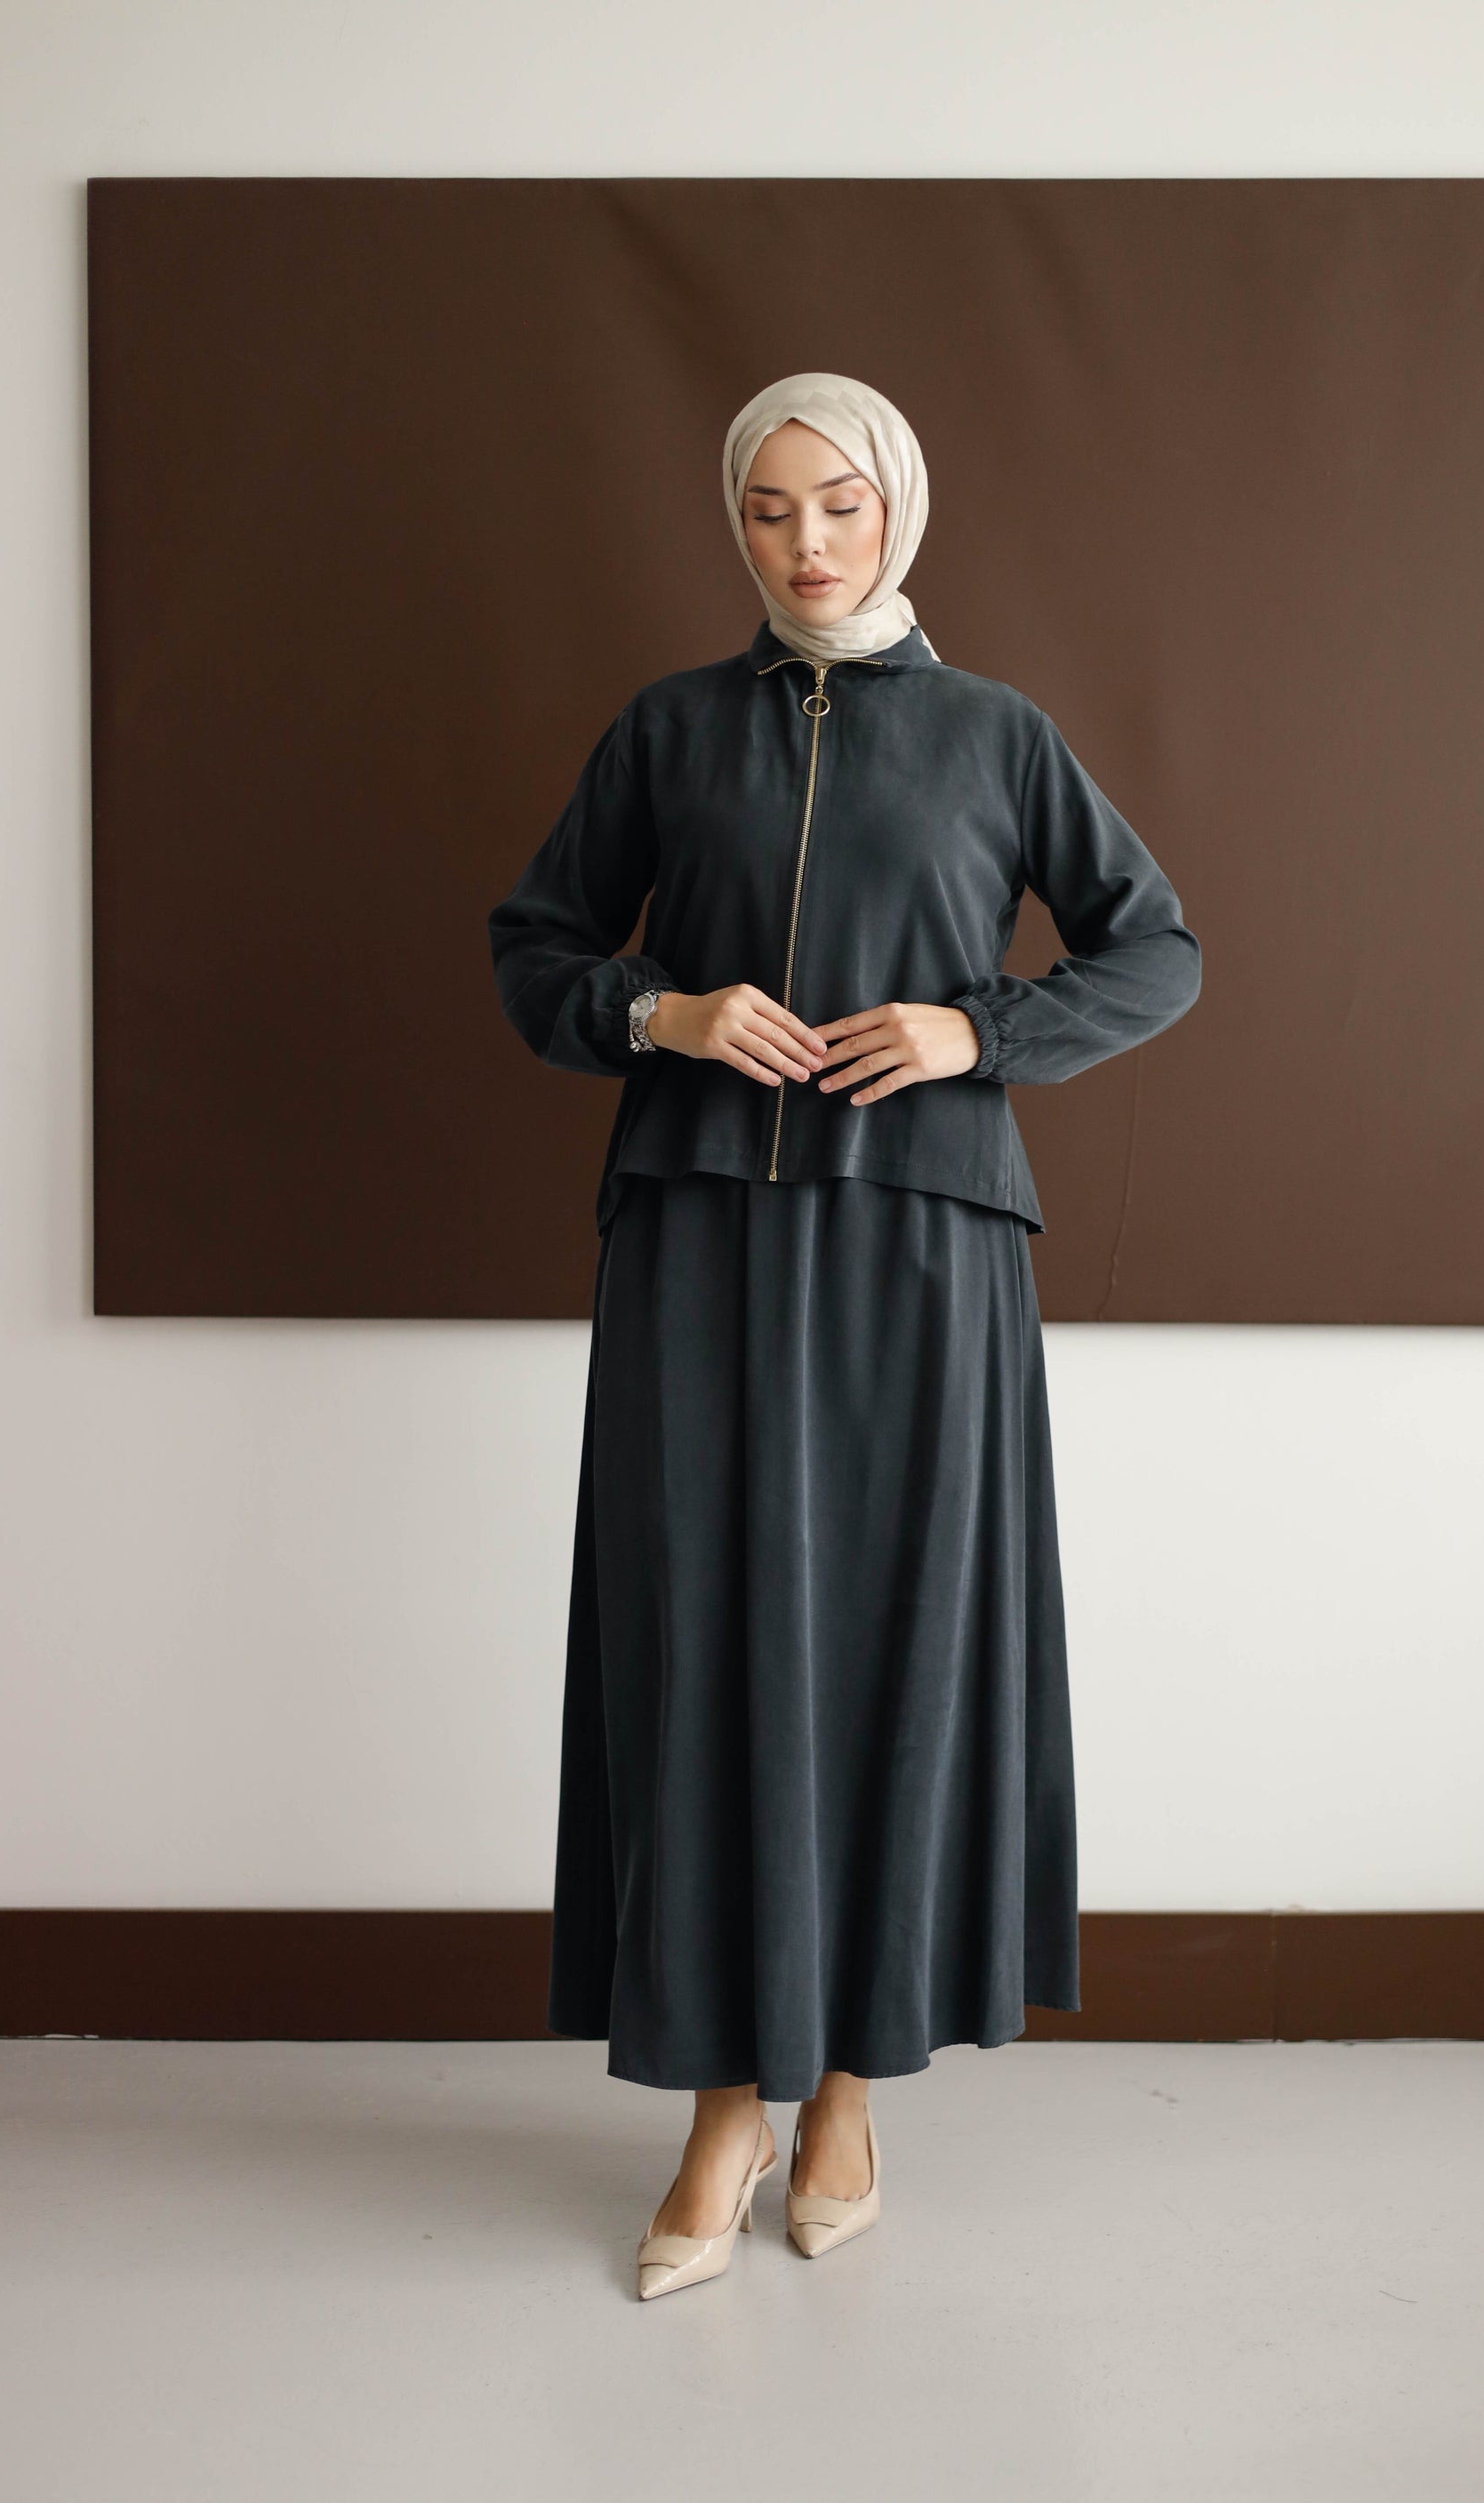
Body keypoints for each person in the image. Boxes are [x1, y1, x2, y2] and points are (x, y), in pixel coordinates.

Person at [487, 371, 1201, 2301]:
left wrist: (982, 1027)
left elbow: (1155, 944)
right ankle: (724, 2103)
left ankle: (852, 2091)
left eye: (841, 504)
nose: (807, 543)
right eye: (769, 510)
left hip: (922, 1251)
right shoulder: (667, 731)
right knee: (704, 1646)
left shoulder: (997, 734)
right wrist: (663, 1015)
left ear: (897, 509)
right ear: (738, 524)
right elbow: (536, 948)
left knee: (896, 1641)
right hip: (697, 1242)